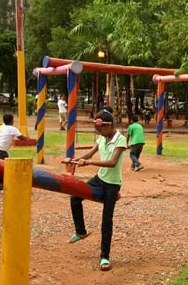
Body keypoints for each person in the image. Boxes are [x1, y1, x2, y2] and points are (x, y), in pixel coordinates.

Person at [63, 108, 126, 272]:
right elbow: (90, 154)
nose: (99, 132)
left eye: (100, 129)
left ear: (108, 125)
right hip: (100, 178)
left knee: (106, 220)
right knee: (75, 197)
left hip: (112, 184)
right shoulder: (102, 138)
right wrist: (74, 160)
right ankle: (81, 231)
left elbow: (112, 162)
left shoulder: (120, 140)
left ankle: (105, 256)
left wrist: (89, 164)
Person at [0, 113, 32, 192]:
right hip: (1, 151)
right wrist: (28, 138)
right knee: (3, 168)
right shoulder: (12, 129)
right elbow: (22, 137)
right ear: (12, 121)